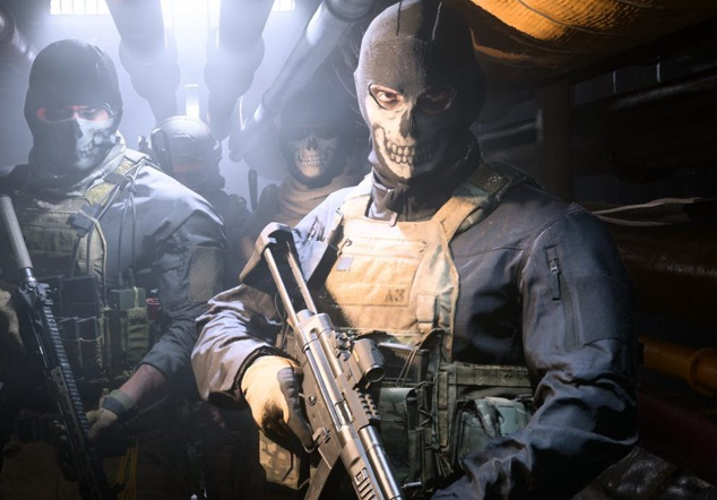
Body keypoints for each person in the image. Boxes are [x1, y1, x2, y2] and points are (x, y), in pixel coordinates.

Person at [191, 2, 638, 499]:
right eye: (387, 97)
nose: (406, 127)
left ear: (468, 99)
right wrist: (253, 369)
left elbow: (593, 407)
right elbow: (222, 320)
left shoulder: (549, 234)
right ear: (363, 98)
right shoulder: (331, 219)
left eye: (434, 100)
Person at [0, 39, 225, 499]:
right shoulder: (0, 196)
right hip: (25, 450)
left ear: (114, 112)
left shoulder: (178, 209)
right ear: (32, 112)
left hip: (136, 449)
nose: (74, 126)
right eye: (56, 112)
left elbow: (197, 326)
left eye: (90, 111)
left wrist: (123, 402)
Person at [238, 85, 368, 261]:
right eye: (298, 134)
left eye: (325, 133)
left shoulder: (363, 199)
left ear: (344, 139)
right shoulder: (270, 203)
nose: (311, 145)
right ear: (285, 143)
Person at [150, 115, 251, 283]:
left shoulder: (228, 213)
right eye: (172, 177)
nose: (181, 186)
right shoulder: (139, 214)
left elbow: (253, 270)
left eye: (192, 175)